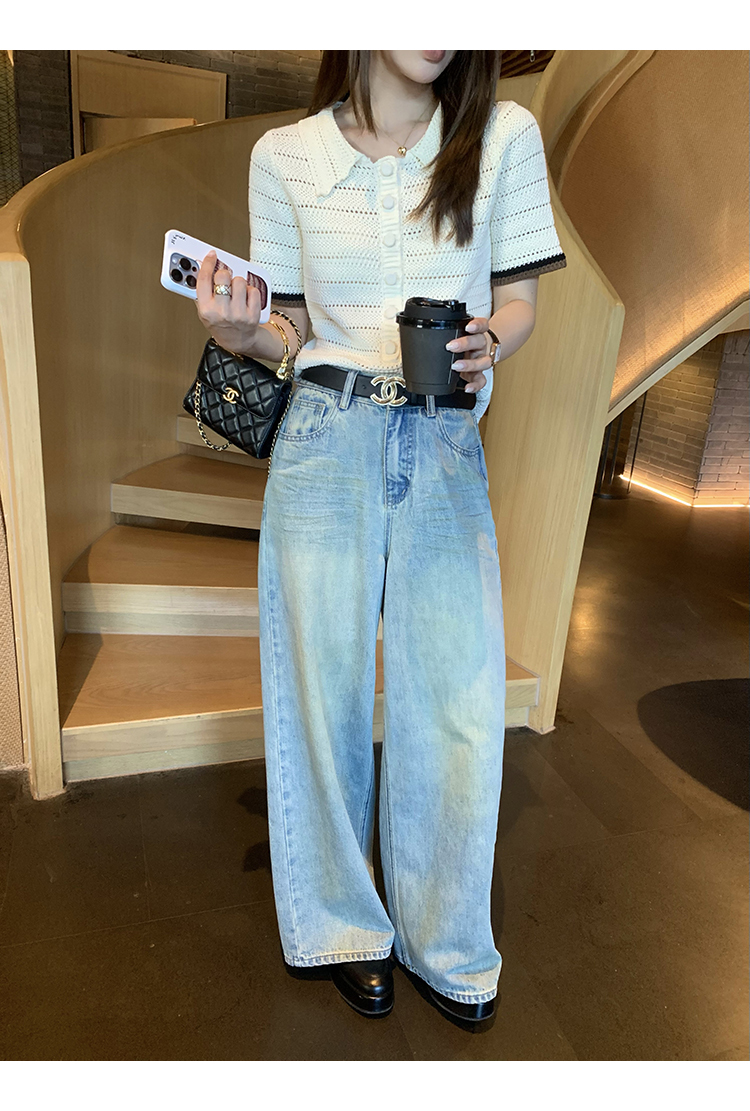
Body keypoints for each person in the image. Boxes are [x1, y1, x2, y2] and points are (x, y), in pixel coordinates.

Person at [195, 49, 567, 1023]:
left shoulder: (502, 137)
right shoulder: (285, 156)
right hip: (327, 431)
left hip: (443, 435)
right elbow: (287, 330)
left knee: (457, 693)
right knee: (319, 689)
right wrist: (241, 331)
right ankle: (339, 923)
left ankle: (445, 935)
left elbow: (522, 300)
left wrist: (493, 338)